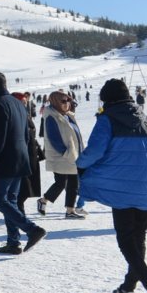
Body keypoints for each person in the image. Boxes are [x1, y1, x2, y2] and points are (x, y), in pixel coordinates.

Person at [78, 80, 147, 293]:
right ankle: (128, 289)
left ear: (107, 99)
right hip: (145, 189)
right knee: (138, 239)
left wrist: (80, 164)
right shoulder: (144, 117)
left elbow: (95, 151)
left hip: (121, 191)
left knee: (127, 241)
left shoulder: (108, 119)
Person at [0, 72, 47, 255]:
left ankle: (32, 229)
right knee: (10, 200)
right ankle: (13, 242)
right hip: (20, 159)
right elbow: (27, 134)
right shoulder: (17, 102)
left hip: (4, 161)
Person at [39, 91, 87, 219]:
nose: (67, 104)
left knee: (73, 183)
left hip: (73, 155)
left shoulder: (67, 115)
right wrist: (66, 153)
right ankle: (43, 200)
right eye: (63, 101)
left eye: (68, 101)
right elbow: (54, 139)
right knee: (60, 183)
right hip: (61, 157)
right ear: (55, 102)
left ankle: (70, 210)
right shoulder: (51, 117)